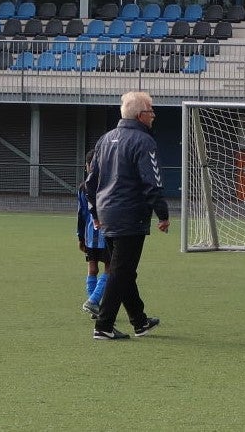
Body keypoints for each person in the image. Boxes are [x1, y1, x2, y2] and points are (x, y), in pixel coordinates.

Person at [85, 91, 168, 341]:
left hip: (107, 213)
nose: (154, 115)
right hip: (130, 214)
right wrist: (162, 214)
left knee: (124, 269)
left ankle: (139, 321)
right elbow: (152, 181)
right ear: (141, 115)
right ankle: (104, 325)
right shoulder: (144, 142)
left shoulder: (104, 139)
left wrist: (95, 211)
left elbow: (90, 182)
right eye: (151, 111)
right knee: (121, 270)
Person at [76, 152, 109, 318]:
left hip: (90, 235)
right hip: (107, 234)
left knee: (92, 269)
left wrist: (80, 236)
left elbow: (81, 214)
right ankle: (93, 301)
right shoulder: (108, 185)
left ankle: (93, 307)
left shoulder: (83, 187)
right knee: (110, 268)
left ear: (87, 166)